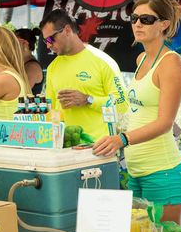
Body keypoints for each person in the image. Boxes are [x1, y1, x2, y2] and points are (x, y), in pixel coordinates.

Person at [93, 0, 181, 223]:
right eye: (134, 18)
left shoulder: (171, 63)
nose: (137, 24)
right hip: (136, 172)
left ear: (163, 25)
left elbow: (165, 123)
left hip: (163, 173)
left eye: (146, 19)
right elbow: (140, 113)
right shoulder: (141, 60)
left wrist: (122, 139)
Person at [40, 9, 128, 141]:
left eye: (51, 39)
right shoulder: (53, 67)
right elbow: (51, 109)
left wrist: (88, 100)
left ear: (67, 30)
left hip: (98, 148)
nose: (48, 45)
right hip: (64, 147)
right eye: (44, 41)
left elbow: (123, 104)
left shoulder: (103, 61)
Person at [14, 28, 44, 94]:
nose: (11, 45)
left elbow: (20, 92)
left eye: (14, 42)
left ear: (25, 43)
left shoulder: (32, 67)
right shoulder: (22, 63)